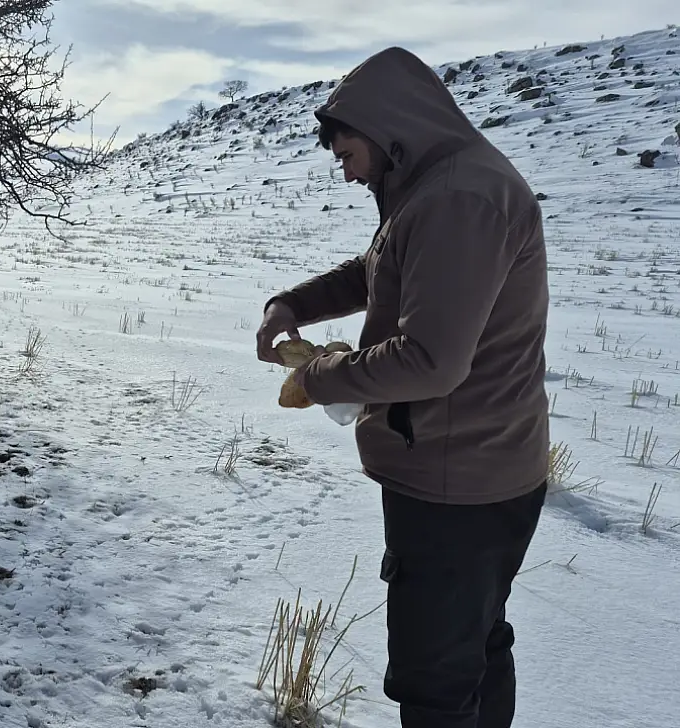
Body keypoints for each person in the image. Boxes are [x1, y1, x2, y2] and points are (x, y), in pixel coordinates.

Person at [255, 46, 550, 728]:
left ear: (389, 129)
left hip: (458, 485)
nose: (348, 172)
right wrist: (290, 304)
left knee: (435, 681)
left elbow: (430, 361)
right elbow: (374, 270)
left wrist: (320, 376)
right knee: (474, 645)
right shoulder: (437, 188)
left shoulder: (458, 199)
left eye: (348, 153)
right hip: (478, 468)